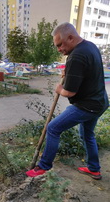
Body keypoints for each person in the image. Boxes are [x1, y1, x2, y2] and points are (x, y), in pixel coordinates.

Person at [26, 22, 109, 180]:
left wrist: (59, 89)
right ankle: (94, 169)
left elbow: (69, 92)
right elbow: (86, 72)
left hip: (87, 105)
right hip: (100, 102)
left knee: (53, 128)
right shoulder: (89, 46)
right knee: (87, 134)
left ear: (70, 38)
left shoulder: (76, 56)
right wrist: (70, 73)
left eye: (60, 45)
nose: (59, 50)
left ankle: (43, 167)